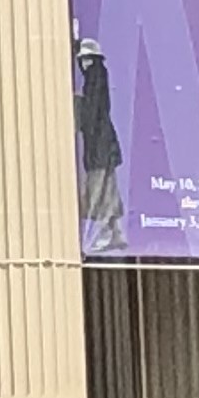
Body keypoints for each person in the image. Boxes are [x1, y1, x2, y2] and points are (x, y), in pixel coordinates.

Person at [72, 31, 128, 256]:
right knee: (108, 188)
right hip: (105, 145)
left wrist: (77, 104)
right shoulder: (98, 78)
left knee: (99, 190)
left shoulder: (94, 80)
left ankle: (106, 232)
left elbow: (91, 113)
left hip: (100, 147)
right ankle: (117, 232)